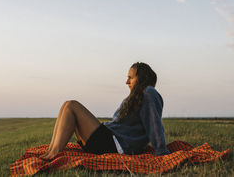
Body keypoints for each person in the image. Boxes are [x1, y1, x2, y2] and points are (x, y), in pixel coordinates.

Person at [40, 62, 170, 160]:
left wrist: (161, 151)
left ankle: (53, 154)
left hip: (115, 145)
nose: (127, 81)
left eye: (131, 78)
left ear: (141, 78)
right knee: (66, 105)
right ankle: (51, 151)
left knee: (71, 106)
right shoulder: (138, 96)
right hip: (109, 141)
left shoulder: (149, 93)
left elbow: (154, 123)